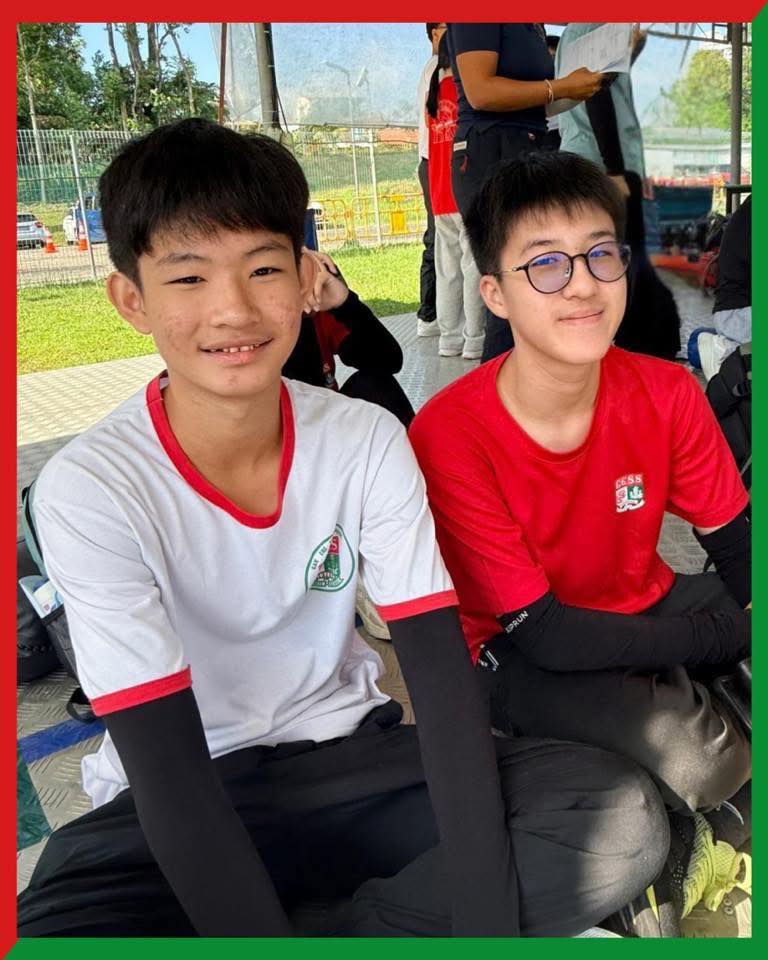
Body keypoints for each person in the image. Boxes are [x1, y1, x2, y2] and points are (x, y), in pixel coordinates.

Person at [18, 120, 668, 938]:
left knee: (614, 817)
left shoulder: (364, 439)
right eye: (188, 277)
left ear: (304, 278)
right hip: (185, 791)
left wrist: (484, 925)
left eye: (263, 268)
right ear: (132, 300)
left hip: (348, 760)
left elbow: (441, 680)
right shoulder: (91, 488)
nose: (234, 309)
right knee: (56, 931)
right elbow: (169, 771)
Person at [410, 152, 751, 825]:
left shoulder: (668, 391)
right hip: (517, 647)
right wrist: (720, 639)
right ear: (495, 294)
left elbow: (738, 549)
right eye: (546, 263)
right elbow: (549, 636)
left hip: (644, 600)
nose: (583, 286)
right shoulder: (450, 434)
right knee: (700, 762)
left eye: (600, 254)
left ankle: (690, 696)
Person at [447, 22, 605, 360]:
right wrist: (560, 86)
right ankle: (499, 385)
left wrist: (575, 89)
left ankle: (535, 379)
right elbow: (481, 92)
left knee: (538, 282)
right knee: (515, 283)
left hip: (529, 144)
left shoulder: (533, 24)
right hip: (492, 151)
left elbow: (537, 103)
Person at [556, 23, 681, 360]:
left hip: (597, 159)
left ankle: (636, 351)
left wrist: (631, 50)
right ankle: (640, 354)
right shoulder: (596, 23)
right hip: (603, 164)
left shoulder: (580, 30)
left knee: (618, 261)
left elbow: (606, 82)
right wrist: (614, 170)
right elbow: (597, 94)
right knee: (624, 263)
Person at [283, 248, 415, 428]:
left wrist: (345, 304)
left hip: (328, 422)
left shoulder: (317, 310)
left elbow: (389, 361)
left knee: (373, 383)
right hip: (279, 431)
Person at [426, 33, 485, 360]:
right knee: (472, 267)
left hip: (439, 196)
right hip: (463, 192)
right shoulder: (465, 91)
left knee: (448, 270)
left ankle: (449, 338)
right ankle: (474, 338)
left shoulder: (433, 94)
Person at [698, 194, 752, 380]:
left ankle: (730, 351)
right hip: (738, 314)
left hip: (734, 314)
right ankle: (727, 355)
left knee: (695, 341)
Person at [415, 22, 446, 338]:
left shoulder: (437, 67)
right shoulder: (436, 67)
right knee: (438, 239)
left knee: (442, 239)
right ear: (435, 32)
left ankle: (436, 314)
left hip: (436, 159)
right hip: (435, 159)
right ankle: (429, 313)